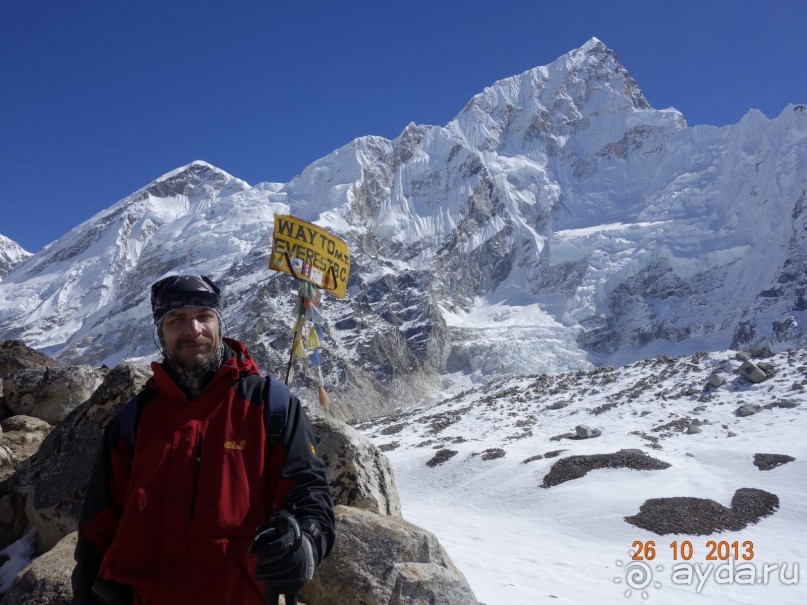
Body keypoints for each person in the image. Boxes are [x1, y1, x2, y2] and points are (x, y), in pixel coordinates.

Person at [72, 274, 335, 605]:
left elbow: (309, 494)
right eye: (177, 320)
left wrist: (306, 543)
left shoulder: (270, 406)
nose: (193, 329)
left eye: (203, 316)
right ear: (160, 332)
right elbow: (98, 527)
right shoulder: (132, 421)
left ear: (219, 324)